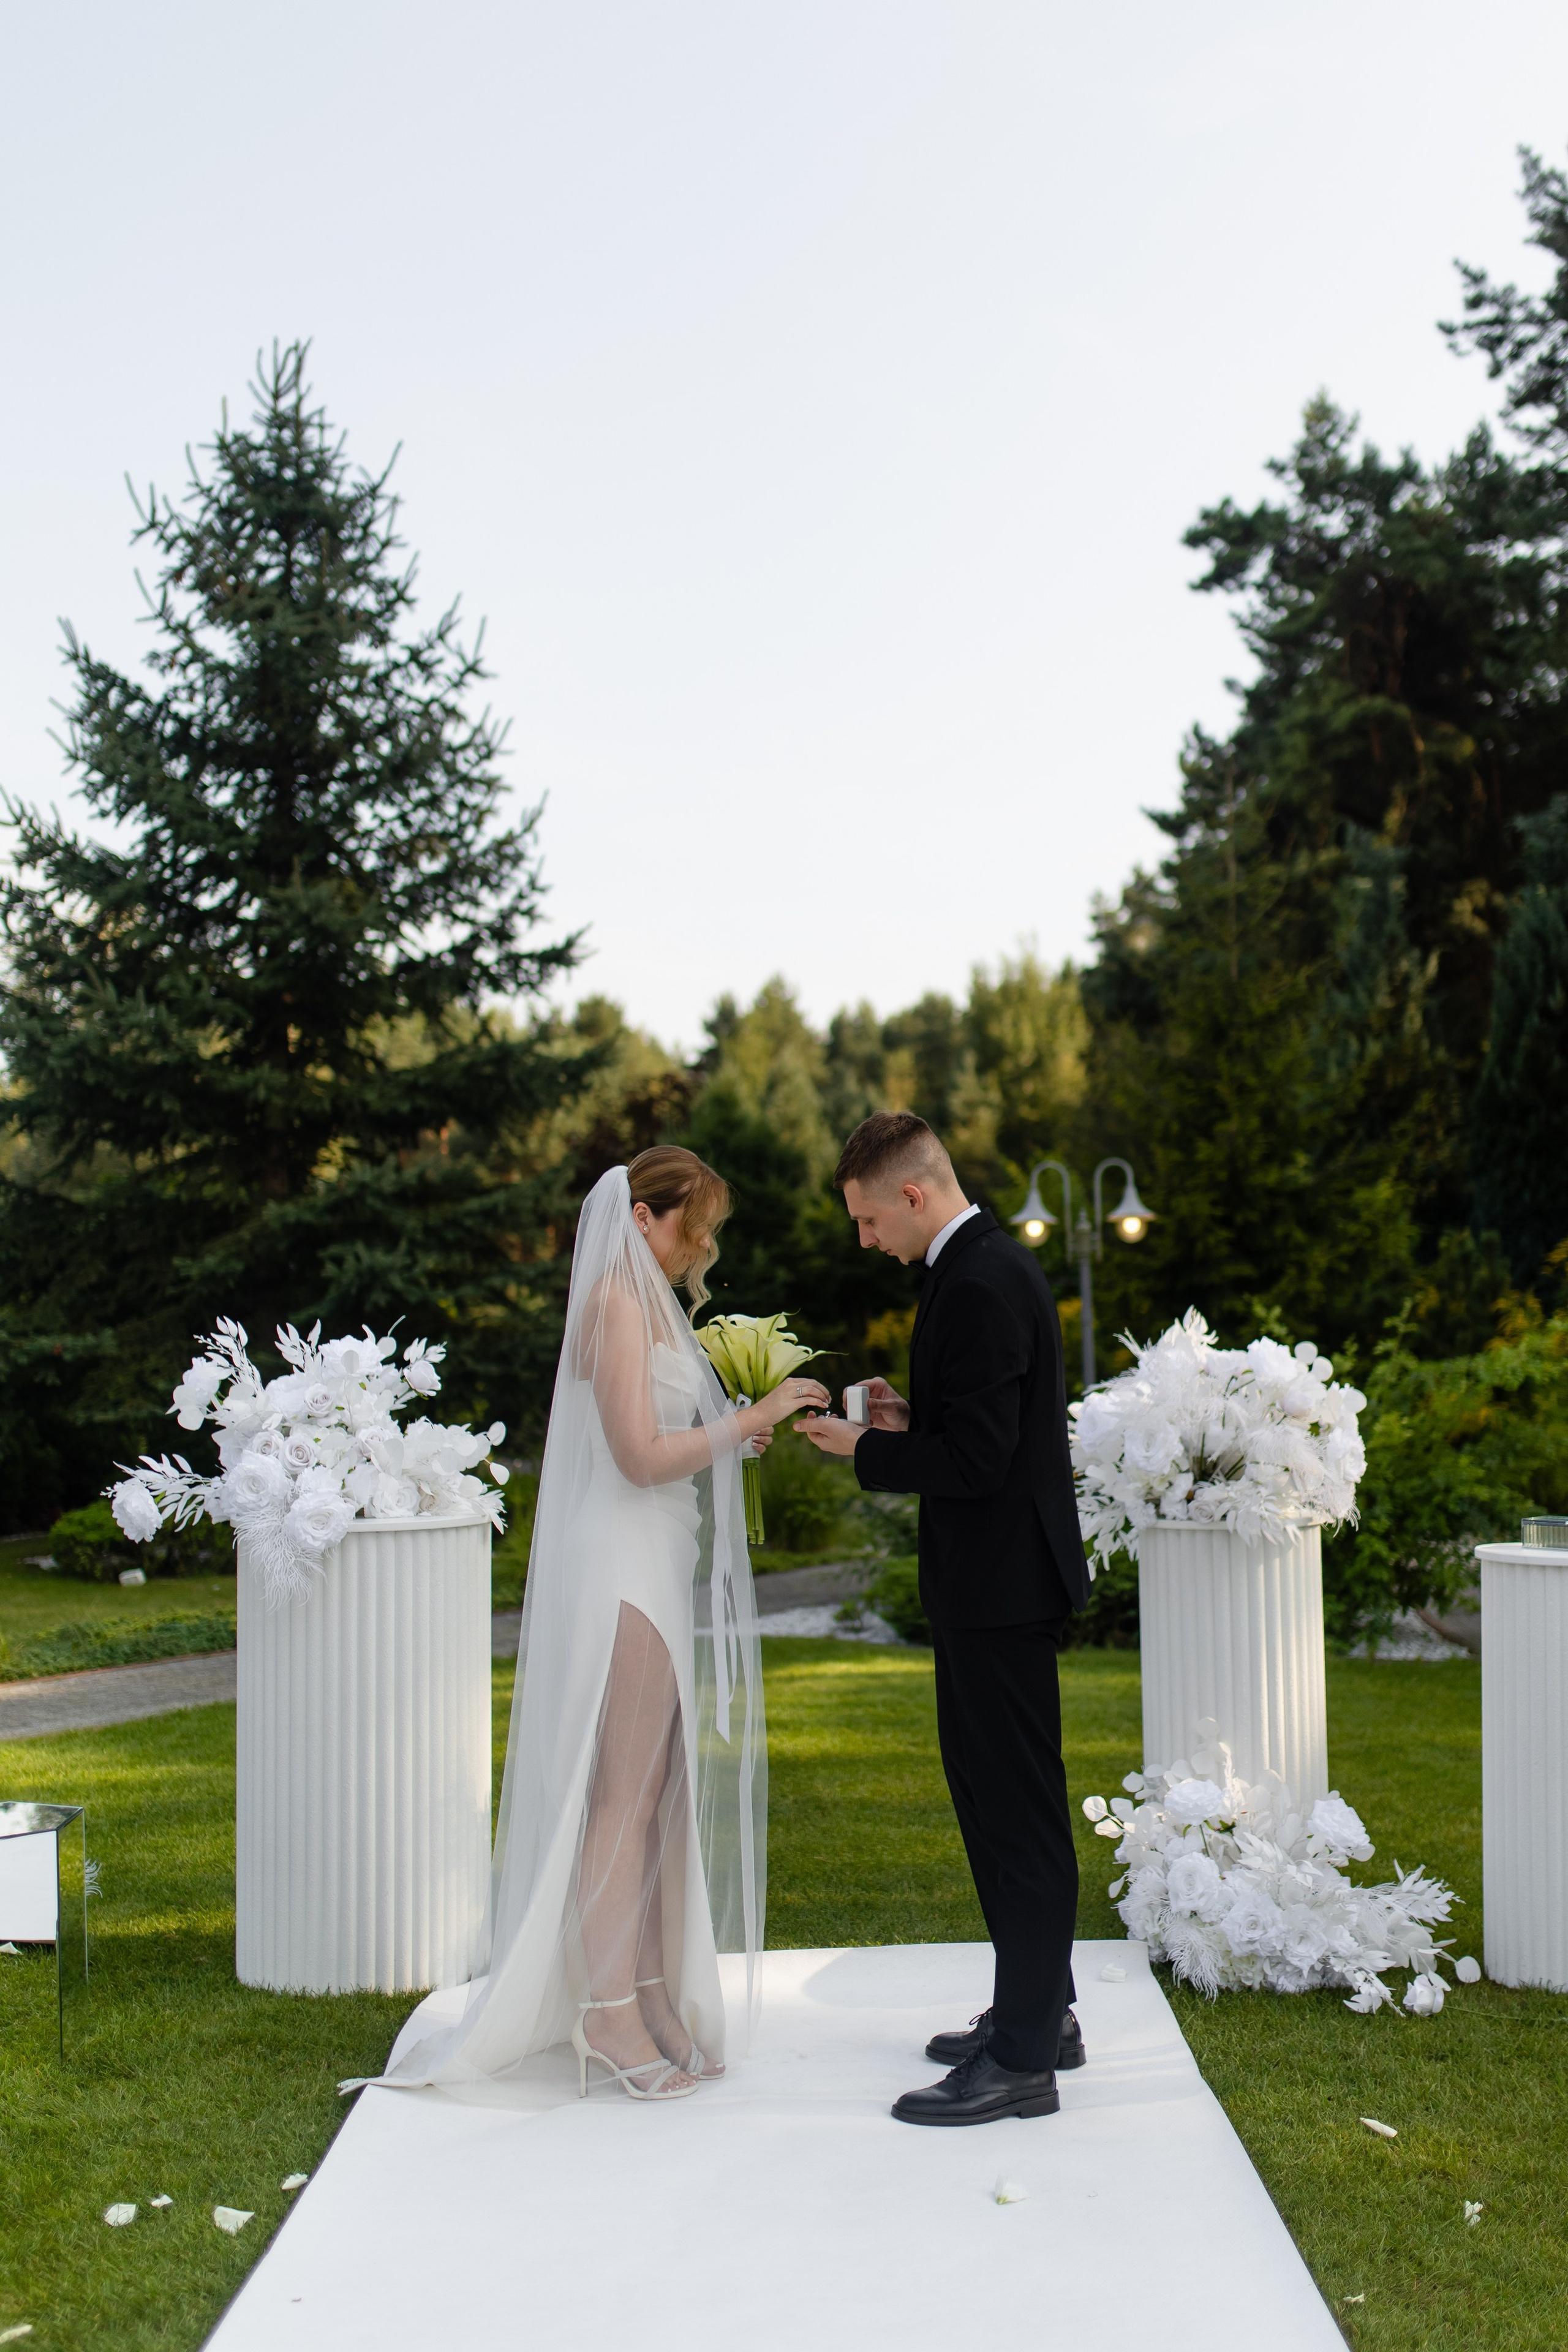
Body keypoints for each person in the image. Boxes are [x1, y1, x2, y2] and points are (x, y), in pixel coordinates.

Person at [360, 1147, 828, 2103]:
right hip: (621, 1565)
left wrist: (734, 1421)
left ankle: (648, 1987)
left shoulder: (650, 1303)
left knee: (654, 1792)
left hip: (655, 1557)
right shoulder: (616, 1300)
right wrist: (750, 1421)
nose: (702, 1244)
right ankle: (606, 2011)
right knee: (621, 1793)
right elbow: (638, 1456)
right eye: (693, 1223)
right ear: (646, 1217)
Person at [797, 1110, 1091, 2127]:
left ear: (913, 1197)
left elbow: (978, 1466)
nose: (866, 1240)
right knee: (996, 1804)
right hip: (994, 1583)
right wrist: (907, 1426)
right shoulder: (982, 1272)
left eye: (870, 1220)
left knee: (1018, 1819)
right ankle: (1038, 2012)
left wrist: (858, 1450)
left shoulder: (978, 1282)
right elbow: (979, 1439)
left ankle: (1022, 2059)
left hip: (1001, 1591)